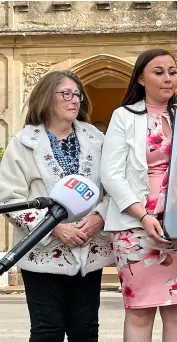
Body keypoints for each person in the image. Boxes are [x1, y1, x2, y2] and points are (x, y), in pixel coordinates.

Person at [0, 70, 113, 341]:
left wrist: (99, 216)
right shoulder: (24, 143)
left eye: (77, 95)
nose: (74, 100)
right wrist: (56, 228)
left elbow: (114, 190)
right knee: (46, 331)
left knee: (85, 331)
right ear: (46, 98)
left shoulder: (98, 141)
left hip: (88, 250)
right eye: (66, 94)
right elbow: (8, 198)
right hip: (43, 255)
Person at [100, 48, 177, 342]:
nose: (168, 78)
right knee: (140, 311)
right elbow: (111, 174)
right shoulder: (123, 116)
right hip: (136, 226)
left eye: (172, 71)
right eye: (159, 72)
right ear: (141, 79)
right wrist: (143, 216)